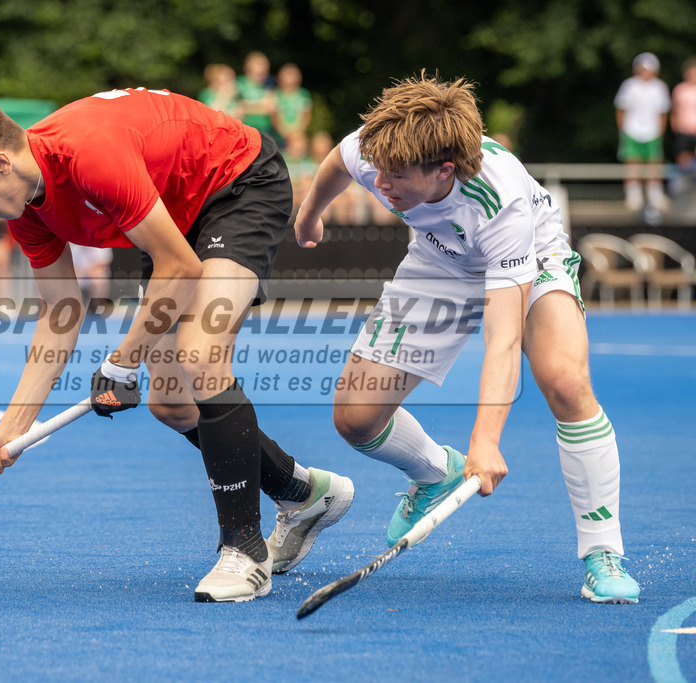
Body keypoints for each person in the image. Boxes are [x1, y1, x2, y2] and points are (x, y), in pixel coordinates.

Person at [0, 87, 354, 603]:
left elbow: (181, 268)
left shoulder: (89, 156)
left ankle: (244, 551)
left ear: (0, 162)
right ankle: (303, 493)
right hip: (171, 216)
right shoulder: (26, 208)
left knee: (200, 352)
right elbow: (61, 312)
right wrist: (12, 428)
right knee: (172, 403)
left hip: (237, 182)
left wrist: (122, 362)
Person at [293, 72, 641, 604]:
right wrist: (309, 215)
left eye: (396, 177)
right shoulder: (382, 146)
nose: (380, 184)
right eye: (377, 169)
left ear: (444, 170)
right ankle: (436, 472)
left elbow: (503, 340)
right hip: (438, 261)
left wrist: (486, 440)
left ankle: (602, 552)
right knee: (356, 418)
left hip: (531, 258)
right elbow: (338, 162)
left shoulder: (500, 205)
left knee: (564, 381)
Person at [614, 52, 671, 212]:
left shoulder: (660, 87)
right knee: (633, 162)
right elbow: (621, 109)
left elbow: (662, 113)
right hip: (632, 130)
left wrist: (660, 133)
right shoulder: (629, 85)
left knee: (654, 163)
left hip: (652, 132)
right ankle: (633, 195)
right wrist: (623, 130)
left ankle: (655, 194)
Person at [236, 51, 277, 139]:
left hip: (265, 132)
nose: (263, 68)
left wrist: (248, 106)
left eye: (265, 65)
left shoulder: (269, 85)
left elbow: (271, 109)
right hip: (244, 132)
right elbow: (237, 108)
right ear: (248, 66)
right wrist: (261, 106)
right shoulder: (239, 83)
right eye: (259, 64)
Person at [670, 56, 696, 173]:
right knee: (683, 161)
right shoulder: (680, 90)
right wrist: (676, 127)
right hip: (684, 132)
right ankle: (685, 183)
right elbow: (674, 110)